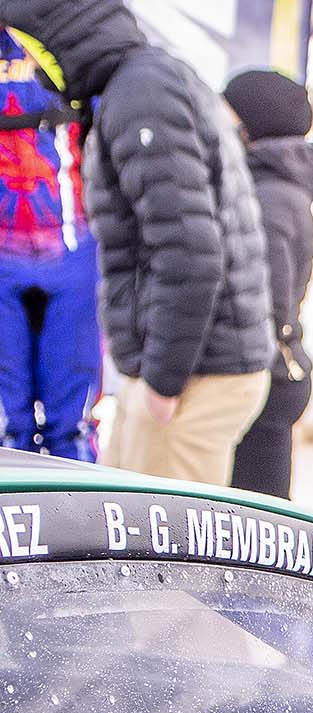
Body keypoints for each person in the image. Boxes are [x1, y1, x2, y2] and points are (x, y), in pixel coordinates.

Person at [14, 0, 270, 486]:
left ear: (63, 38)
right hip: (180, 366)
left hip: (194, 376)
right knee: (122, 532)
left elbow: (188, 253)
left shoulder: (142, 92)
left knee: (170, 552)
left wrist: (163, 381)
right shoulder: (136, 85)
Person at [0, 26, 100, 459]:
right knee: (6, 428)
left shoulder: (73, 30)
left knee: (74, 426)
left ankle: (80, 518)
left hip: (72, 249)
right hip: (4, 259)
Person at [224, 66, 313, 499]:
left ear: (252, 127)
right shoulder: (276, 188)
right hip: (277, 369)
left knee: (255, 524)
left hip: (266, 376)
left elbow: (270, 304)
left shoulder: (268, 199)